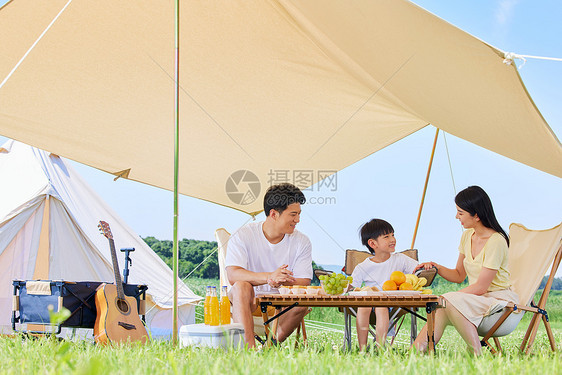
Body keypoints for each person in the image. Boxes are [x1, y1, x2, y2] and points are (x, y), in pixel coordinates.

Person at [413, 186, 518, 355]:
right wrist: (437, 267)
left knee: (446, 301)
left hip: (498, 304)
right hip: (475, 301)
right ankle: (415, 354)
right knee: (442, 307)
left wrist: (449, 298)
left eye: (460, 213)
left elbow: (482, 287)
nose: (456, 217)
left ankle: (475, 355)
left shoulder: (496, 241)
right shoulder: (467, 236)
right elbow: (459, 275)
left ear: (476, 215)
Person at [225, 183, 313, 348]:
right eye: (293, 214)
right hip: (249, 302)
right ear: (274, 214)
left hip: (282, 307)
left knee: (303, 300)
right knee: (241, 286)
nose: (298, 220)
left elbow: (304, 281)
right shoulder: (244, 235)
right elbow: (233, 275)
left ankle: (268, 349)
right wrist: (268, 277)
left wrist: (280, 280)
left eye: (299, 214)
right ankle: (249, 349)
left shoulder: (302, 241)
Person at [350, 219, 418, 350]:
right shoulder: (363, 266)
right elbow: (353, 287)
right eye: (387, 237)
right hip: (368, 302)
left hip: (391, 304)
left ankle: (380, 347)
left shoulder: (400, 259)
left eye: (393, 235)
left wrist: (424, 267)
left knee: (381, 307)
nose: (392, 239)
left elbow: (418, 271)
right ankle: (362, 349)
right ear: (372, 243)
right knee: (363, 307)